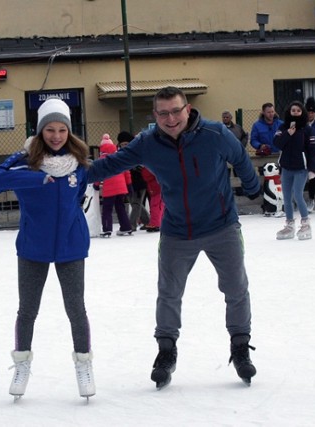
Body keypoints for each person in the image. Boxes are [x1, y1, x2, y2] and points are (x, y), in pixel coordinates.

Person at [87, 86, 261, 388]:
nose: (171, 118)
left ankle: (240, 346)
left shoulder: (216, 134)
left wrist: (252, 186)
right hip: (177, 231)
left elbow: (241, 159)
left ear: (188, 108)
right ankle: (166, 351)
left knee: (236, 288)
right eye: (163, 113)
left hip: (222, 227)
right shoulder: (148, 142)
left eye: (176, 111)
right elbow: (112, 164)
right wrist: (74, 173)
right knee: (169, 293)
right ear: (155, 115)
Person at [0, 98, 96, 399]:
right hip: (33, 247)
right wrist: (34, 178)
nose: (56, 136)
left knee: (76, 308)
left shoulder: (79, 164)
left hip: (71, 246)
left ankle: (84, 365)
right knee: (28, 310)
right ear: (40, 130)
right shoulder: (24, 161)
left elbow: (79, 196)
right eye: (50, 129)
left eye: (62, 130)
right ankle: (21, 365)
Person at [273, 101, 315, 240]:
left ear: (302, 112)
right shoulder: (283, 127)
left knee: (297, 195)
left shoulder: (307, 129)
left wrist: (312, 169)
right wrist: (288, 133)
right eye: (293, 110)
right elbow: (277, 143)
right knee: (286, 197)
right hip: (286, 167)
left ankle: (305, 223)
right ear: (289, 112)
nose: (296, 112)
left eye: (298, 110)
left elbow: (312, 150)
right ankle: (289, 224)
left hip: (301, 168)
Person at [94, 134, 133, 237]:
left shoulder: (101, 160)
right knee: (121, 208)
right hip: (121, 188)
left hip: (109, 190)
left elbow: (98, 174)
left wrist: (96, 185)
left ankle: (107, 229)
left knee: (107, 209)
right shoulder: (119, 157)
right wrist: (129, 185)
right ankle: (126, 227)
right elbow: (127, 172)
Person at [117, 131, 150, 230]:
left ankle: (131, 224)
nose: (124, 146)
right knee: (135, 203)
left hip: (139, 183)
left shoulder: (137, 152)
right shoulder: (120, 154)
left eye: (126, 144)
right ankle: (148, 221)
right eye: (122, 144)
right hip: (128, 183)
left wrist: (135, 167)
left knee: (136, 204)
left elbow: (143, 167)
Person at [140, 167, 163, 232]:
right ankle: (156, 223)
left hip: (155, 189)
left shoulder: (148, 168)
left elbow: (146, 176)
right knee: (157, 206)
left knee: (155, 206)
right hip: (156, 188)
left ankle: (155, 224)